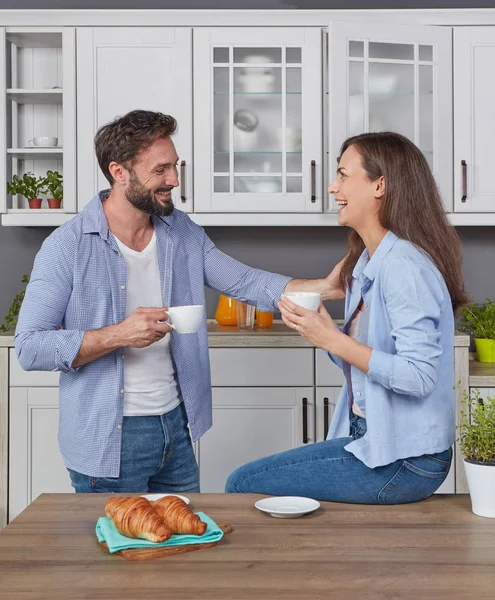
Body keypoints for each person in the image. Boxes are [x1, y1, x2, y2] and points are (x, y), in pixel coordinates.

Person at [14, 109, 344, 494]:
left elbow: (244, 281)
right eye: (161, 170)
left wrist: (325, 287)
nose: (174, 179)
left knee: (188, 546)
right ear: (119, 172)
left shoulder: (181, 231)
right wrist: (119, 335)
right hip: (109, 436)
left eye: (175, 166)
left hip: (176, 428)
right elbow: (30, 346)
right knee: (122, 550)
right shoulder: (67, 246)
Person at [226, 131, 469, 504]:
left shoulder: (403, 265)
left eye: (342, 174)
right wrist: (319, 326)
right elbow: (361, 359)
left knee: (242, 484)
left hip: (404, 457)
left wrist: (331, 338)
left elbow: (419, 377)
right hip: (375, 437)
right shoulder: (369, 262)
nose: (331, 186)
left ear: (380, 185)